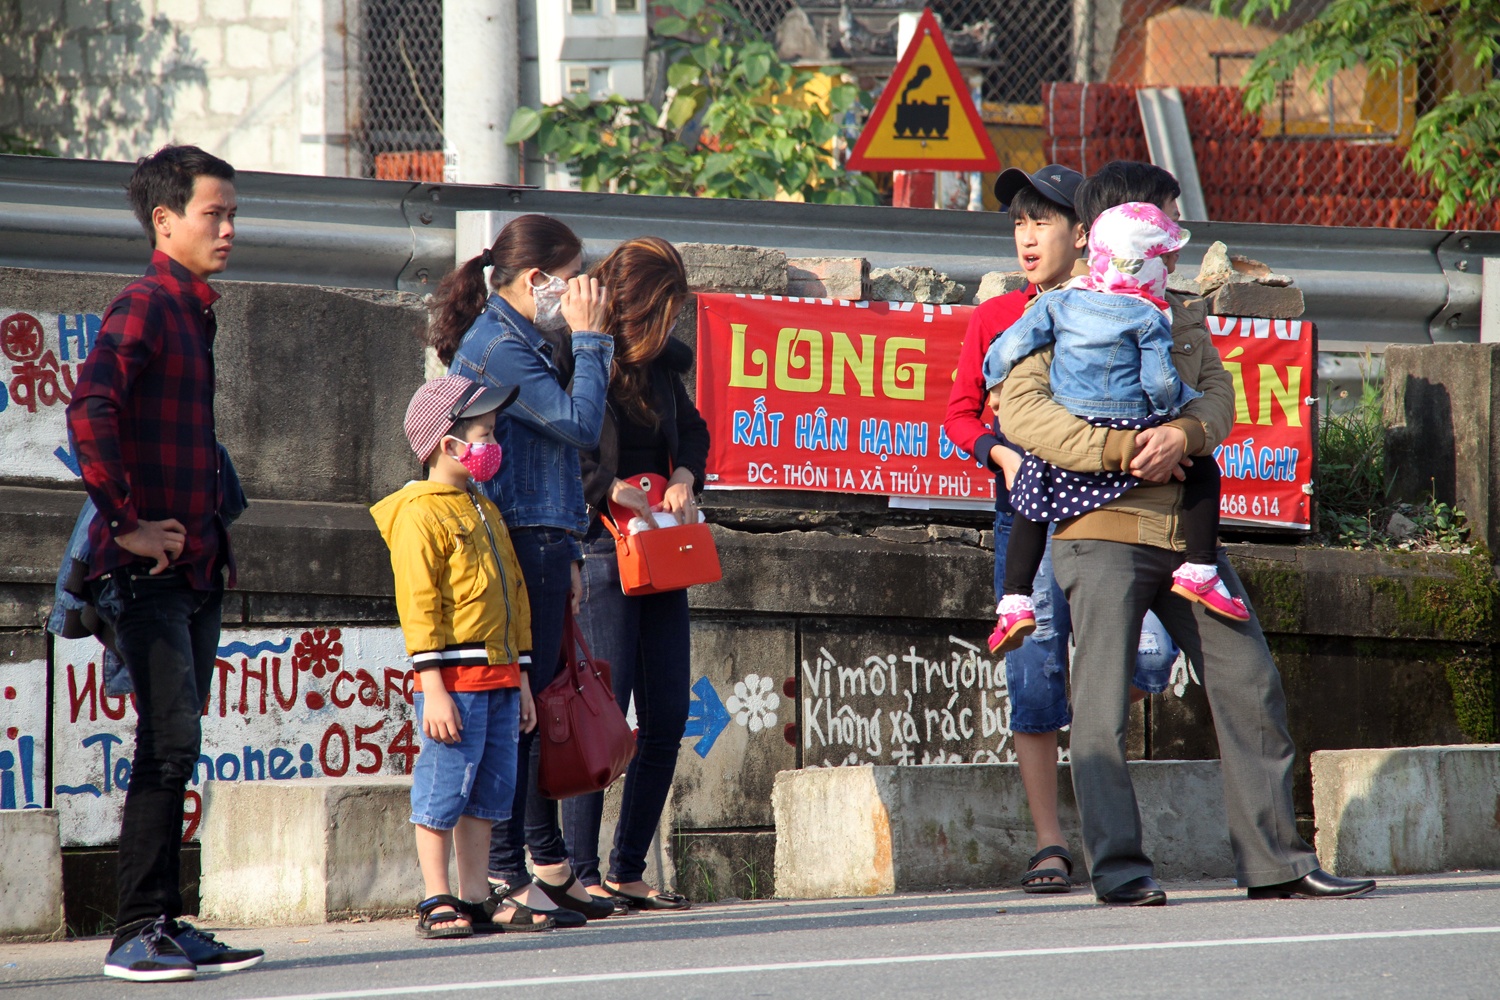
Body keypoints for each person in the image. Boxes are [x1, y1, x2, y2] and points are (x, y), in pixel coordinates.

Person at [998, 159, 1377, 905]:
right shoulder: (1057, 311)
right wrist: (1122, 450)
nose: (1178, 235)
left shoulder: (1178, 313)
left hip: (1185, 540)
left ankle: (1276, 861)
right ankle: (1120, 869)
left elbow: (1217, 397)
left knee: (1249, 682)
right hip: (1098, 532)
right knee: (1100, 708)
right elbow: (1022, 412)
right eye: (1168, 218)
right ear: (1123, 225)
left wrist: (1186, 434)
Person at [942, 165, 1177, 894]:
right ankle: (1051, 842)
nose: (1026, 237)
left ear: (1084, 234)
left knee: (1149, 656)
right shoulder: (998, 315)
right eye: (1018, 223)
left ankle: (1094, 737)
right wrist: (1002, 453)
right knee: (1034, 673)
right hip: (1029, 514)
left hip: (1118, 509)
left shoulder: (1131, 305)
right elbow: (958, 414)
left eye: (1041, 221)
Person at [66, 144, 264, 981]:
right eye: (214, 214)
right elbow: (89, 409)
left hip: (195, 570)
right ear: (165, 220)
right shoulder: (145, 304)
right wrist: (128, 525)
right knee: (167, 741)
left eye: (232, 214)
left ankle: (167, 922)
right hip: (144, 572)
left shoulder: (193, 310)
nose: (229, 229)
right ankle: (135, 932)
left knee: (176, 744)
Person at [426, 214, 617, 924]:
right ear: (537, 279)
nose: (581, 290)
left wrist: (572, 547)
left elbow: (557, 456)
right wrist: (591, 340)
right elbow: (577, 426)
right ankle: (506, 874)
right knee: (519, 713)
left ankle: (540, 863)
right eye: (572, 276)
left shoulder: (521, 339)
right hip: (521, 538)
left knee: (534, 707)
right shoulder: (500, 347)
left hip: (544, 538)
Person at [984, 201, 1247, 657]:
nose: (1173, 266)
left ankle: (1015, 600)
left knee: (1030, 490)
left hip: (1075, 422)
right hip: (1132, 426)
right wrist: (1173, 419)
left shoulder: (1058, 301)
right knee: (1203, 470)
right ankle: (1201, 570)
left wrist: (995, 381)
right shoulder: (1149, 315)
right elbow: (1159, 382)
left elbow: (1009, 345)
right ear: (1149, 265)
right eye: (1166, 257)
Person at [371, 375, 554, 937]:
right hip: (455, 680)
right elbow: (420, 604)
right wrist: (432, 687)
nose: (493, 444)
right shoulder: (419, 513)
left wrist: (523, 680)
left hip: (500, 677)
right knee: (444, 785)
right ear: (448, 444)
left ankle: (475, 895)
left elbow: (515, 596)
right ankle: (437, 896)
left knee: (488, 792)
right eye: (484, 434)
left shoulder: (483, 507)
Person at [560, 237, 707, 912]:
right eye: (663, 310)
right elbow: (556, 442)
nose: (671, 324)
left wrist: (685, 475)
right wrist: (606, 486)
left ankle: (627, 868)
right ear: (635, 306)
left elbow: (695, 432)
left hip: (660, 548)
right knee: (602, 712)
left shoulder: (663, 368)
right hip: (599, 547)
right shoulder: (576, 354)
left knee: (668, 712)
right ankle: (579, 871)